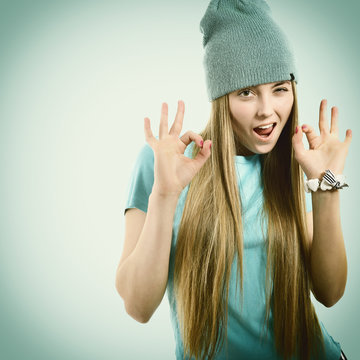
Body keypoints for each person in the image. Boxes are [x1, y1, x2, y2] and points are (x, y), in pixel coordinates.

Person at [115, 1, 352, 359]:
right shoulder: (165, 164)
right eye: (246, 91)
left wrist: (326, 186)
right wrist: (164, 194)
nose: (267, 110)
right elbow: (137, 306)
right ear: (221, 97)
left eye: (279, 88)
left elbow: (330, 292)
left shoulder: (290, 163)